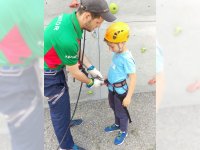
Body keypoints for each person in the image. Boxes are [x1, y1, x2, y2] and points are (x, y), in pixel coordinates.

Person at [44, 0, 116, 149]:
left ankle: (65, 121)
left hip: (54, 66)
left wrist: (91, 67)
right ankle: (67, 146)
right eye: (98, 22)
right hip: (48, 74)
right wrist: (91, 82)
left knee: (63, 104)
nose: (99, 26)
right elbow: (75, 72)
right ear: (87, 16)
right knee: (59, 110)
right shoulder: (66, 39)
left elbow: (75, 48)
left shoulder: (68, 20)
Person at [103, 22, 136, 145]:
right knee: (113, 107)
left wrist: (128, 97)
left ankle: (123, 131)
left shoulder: (127, 58)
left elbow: (133, 78)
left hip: (121, 92)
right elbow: (115, 69)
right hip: (112, 88)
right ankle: (117, 124)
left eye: (112, 46)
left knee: (122, 112)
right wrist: (108, 78)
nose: (110, 49)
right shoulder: (117, 53)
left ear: (121, 43)